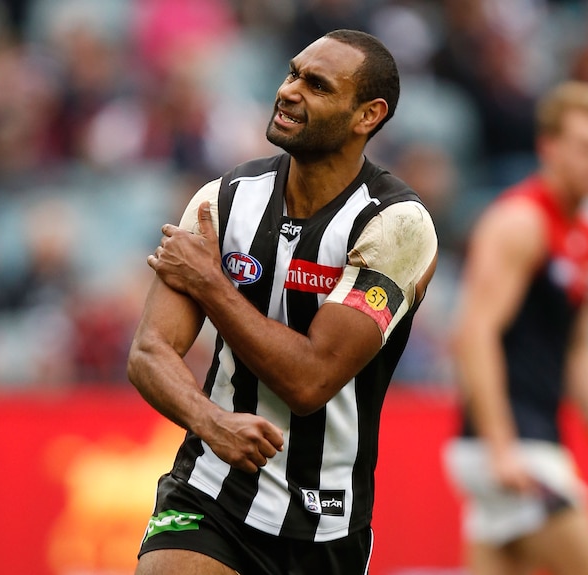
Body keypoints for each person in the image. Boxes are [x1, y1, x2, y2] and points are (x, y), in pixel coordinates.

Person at [127, 29, 438, 575]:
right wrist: (211, 423)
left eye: (316, 85)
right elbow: (149, 352)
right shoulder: (221, 200)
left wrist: (210, 284)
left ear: (368, 115)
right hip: (208, 494)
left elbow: (310, 382)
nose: (289, 91)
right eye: (293, 73)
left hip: (325, 521)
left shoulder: (395, 226)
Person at [445, 81, 588, 575]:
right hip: (511, 448)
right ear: (548, 148)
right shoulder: (519, 222)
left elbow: (580, 348)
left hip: (532, 441)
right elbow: (473, 332)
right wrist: (500, 446)